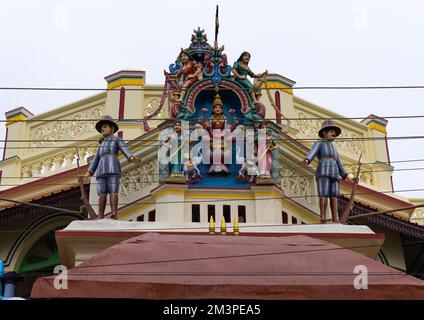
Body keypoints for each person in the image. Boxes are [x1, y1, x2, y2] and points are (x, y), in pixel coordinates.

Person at [301, 119, 354, 224]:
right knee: (323, 194)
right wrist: (307, 160)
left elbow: (340, 167)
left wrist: (349, 176)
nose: (333, 134)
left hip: (335, 174)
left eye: (334, 132)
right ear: (325, 133)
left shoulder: (335, 151)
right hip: (323, 171)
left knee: (334, 195)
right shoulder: (319, 143)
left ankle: (335, 218)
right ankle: (323, 217)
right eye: (331, 131)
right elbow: (312, 152)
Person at [87, 115, 140, 219]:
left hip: (113, 167)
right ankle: (100, 215)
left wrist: (131, 157)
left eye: (105, 126)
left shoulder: (117, 140)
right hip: (101, 170)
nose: (102, 129)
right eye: (102, 127)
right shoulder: (101, 145)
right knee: (101, 192)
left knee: (113, 190)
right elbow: (95, 160)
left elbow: (125, 150)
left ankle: (114, 213)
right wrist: (89, 173)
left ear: (112, 128)